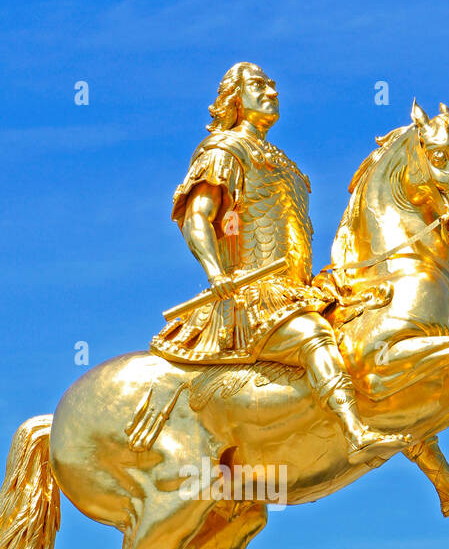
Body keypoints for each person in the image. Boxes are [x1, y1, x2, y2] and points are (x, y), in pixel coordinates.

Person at [151, 62, 403, 463]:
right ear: (235, 99)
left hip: (296, 291)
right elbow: (198, 215)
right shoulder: (225, 150)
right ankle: (355, 432)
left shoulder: (282, 161)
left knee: (372, 340)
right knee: (314, 335)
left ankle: (445, 481)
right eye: (258, 85)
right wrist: (217, 273)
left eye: (272, 84)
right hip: (251, 297)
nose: (271, 90)